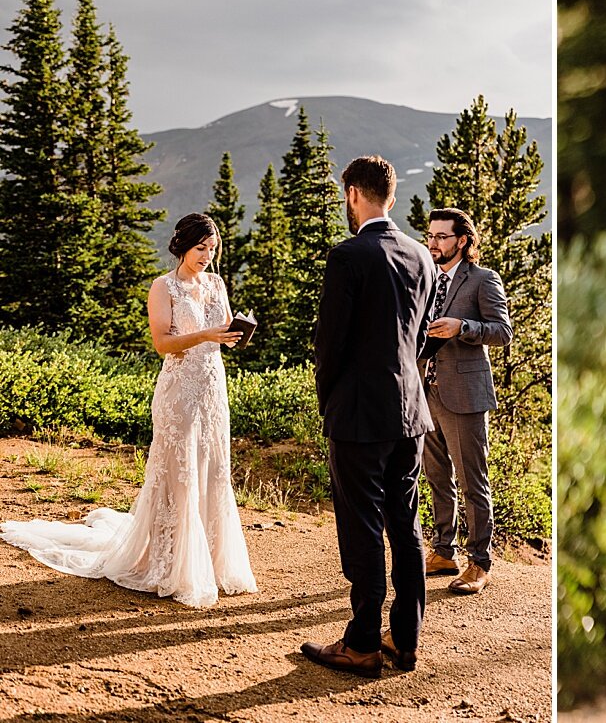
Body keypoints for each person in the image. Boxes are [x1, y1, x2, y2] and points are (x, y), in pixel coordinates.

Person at [0, 213, 256, 608]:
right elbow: (163, 343)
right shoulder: (163, 286)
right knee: (179, 471)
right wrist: (206, 334)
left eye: (212, 249)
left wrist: (232, 334)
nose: (207, 256)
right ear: (183, 245)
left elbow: (221, 331)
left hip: (212, 387)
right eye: (201, 248)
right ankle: (168, 563)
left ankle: (210, 560)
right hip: (178, 389)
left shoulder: (217, 283)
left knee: (212, 468)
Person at [301, 155, 434, 678]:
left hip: (359, 414)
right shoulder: (422, 256)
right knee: (404, 526)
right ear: (392, 197)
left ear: (354, 194)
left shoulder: (348, 256)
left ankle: (360, 645)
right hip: (410, 413)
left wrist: (328, 400)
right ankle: (405, 641)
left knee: (361, 530)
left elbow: (328, 344)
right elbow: (419, 336)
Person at [418, 207, 513, 595]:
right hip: (425, 392)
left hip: (465, 396)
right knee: (437, 477)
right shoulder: (426, 280)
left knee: (473, 482)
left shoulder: (483, 280)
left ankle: (480, 562)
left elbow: (503, 331)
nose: (433, 243)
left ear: (462, 241)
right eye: (430, 235)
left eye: (441, 236)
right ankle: (444, 551)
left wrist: (463, 327)